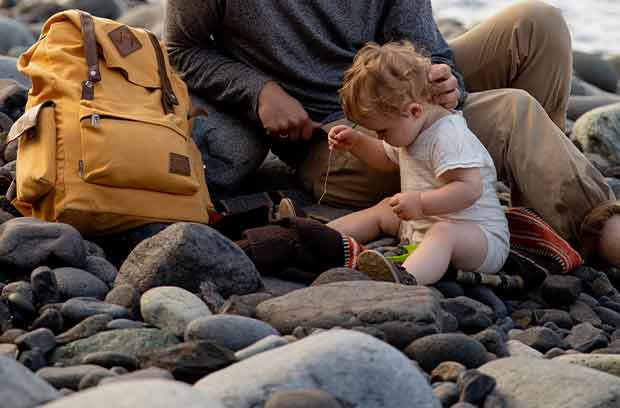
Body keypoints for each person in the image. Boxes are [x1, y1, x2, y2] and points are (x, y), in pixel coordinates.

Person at [165, 0, 620, 268]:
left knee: (535, 23)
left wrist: (445, 82)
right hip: (344, 136)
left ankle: (533, 201)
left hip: (406, 99)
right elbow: (181, 49)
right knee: (510, 111)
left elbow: (423, 50)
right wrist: (258, 91)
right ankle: (598, 229)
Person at [326, 41, 509, 285]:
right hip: (423, 226)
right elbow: (385, 159)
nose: (380, 137)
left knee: (444, 233)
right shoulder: (409, 127)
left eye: (382, 130)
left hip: (477, 237)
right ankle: (320, 237)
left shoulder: (449, 135)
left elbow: (469, 188)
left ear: (414, 111)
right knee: (383, 209)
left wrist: (421, 203)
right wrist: (356, 142)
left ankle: (405, 279)